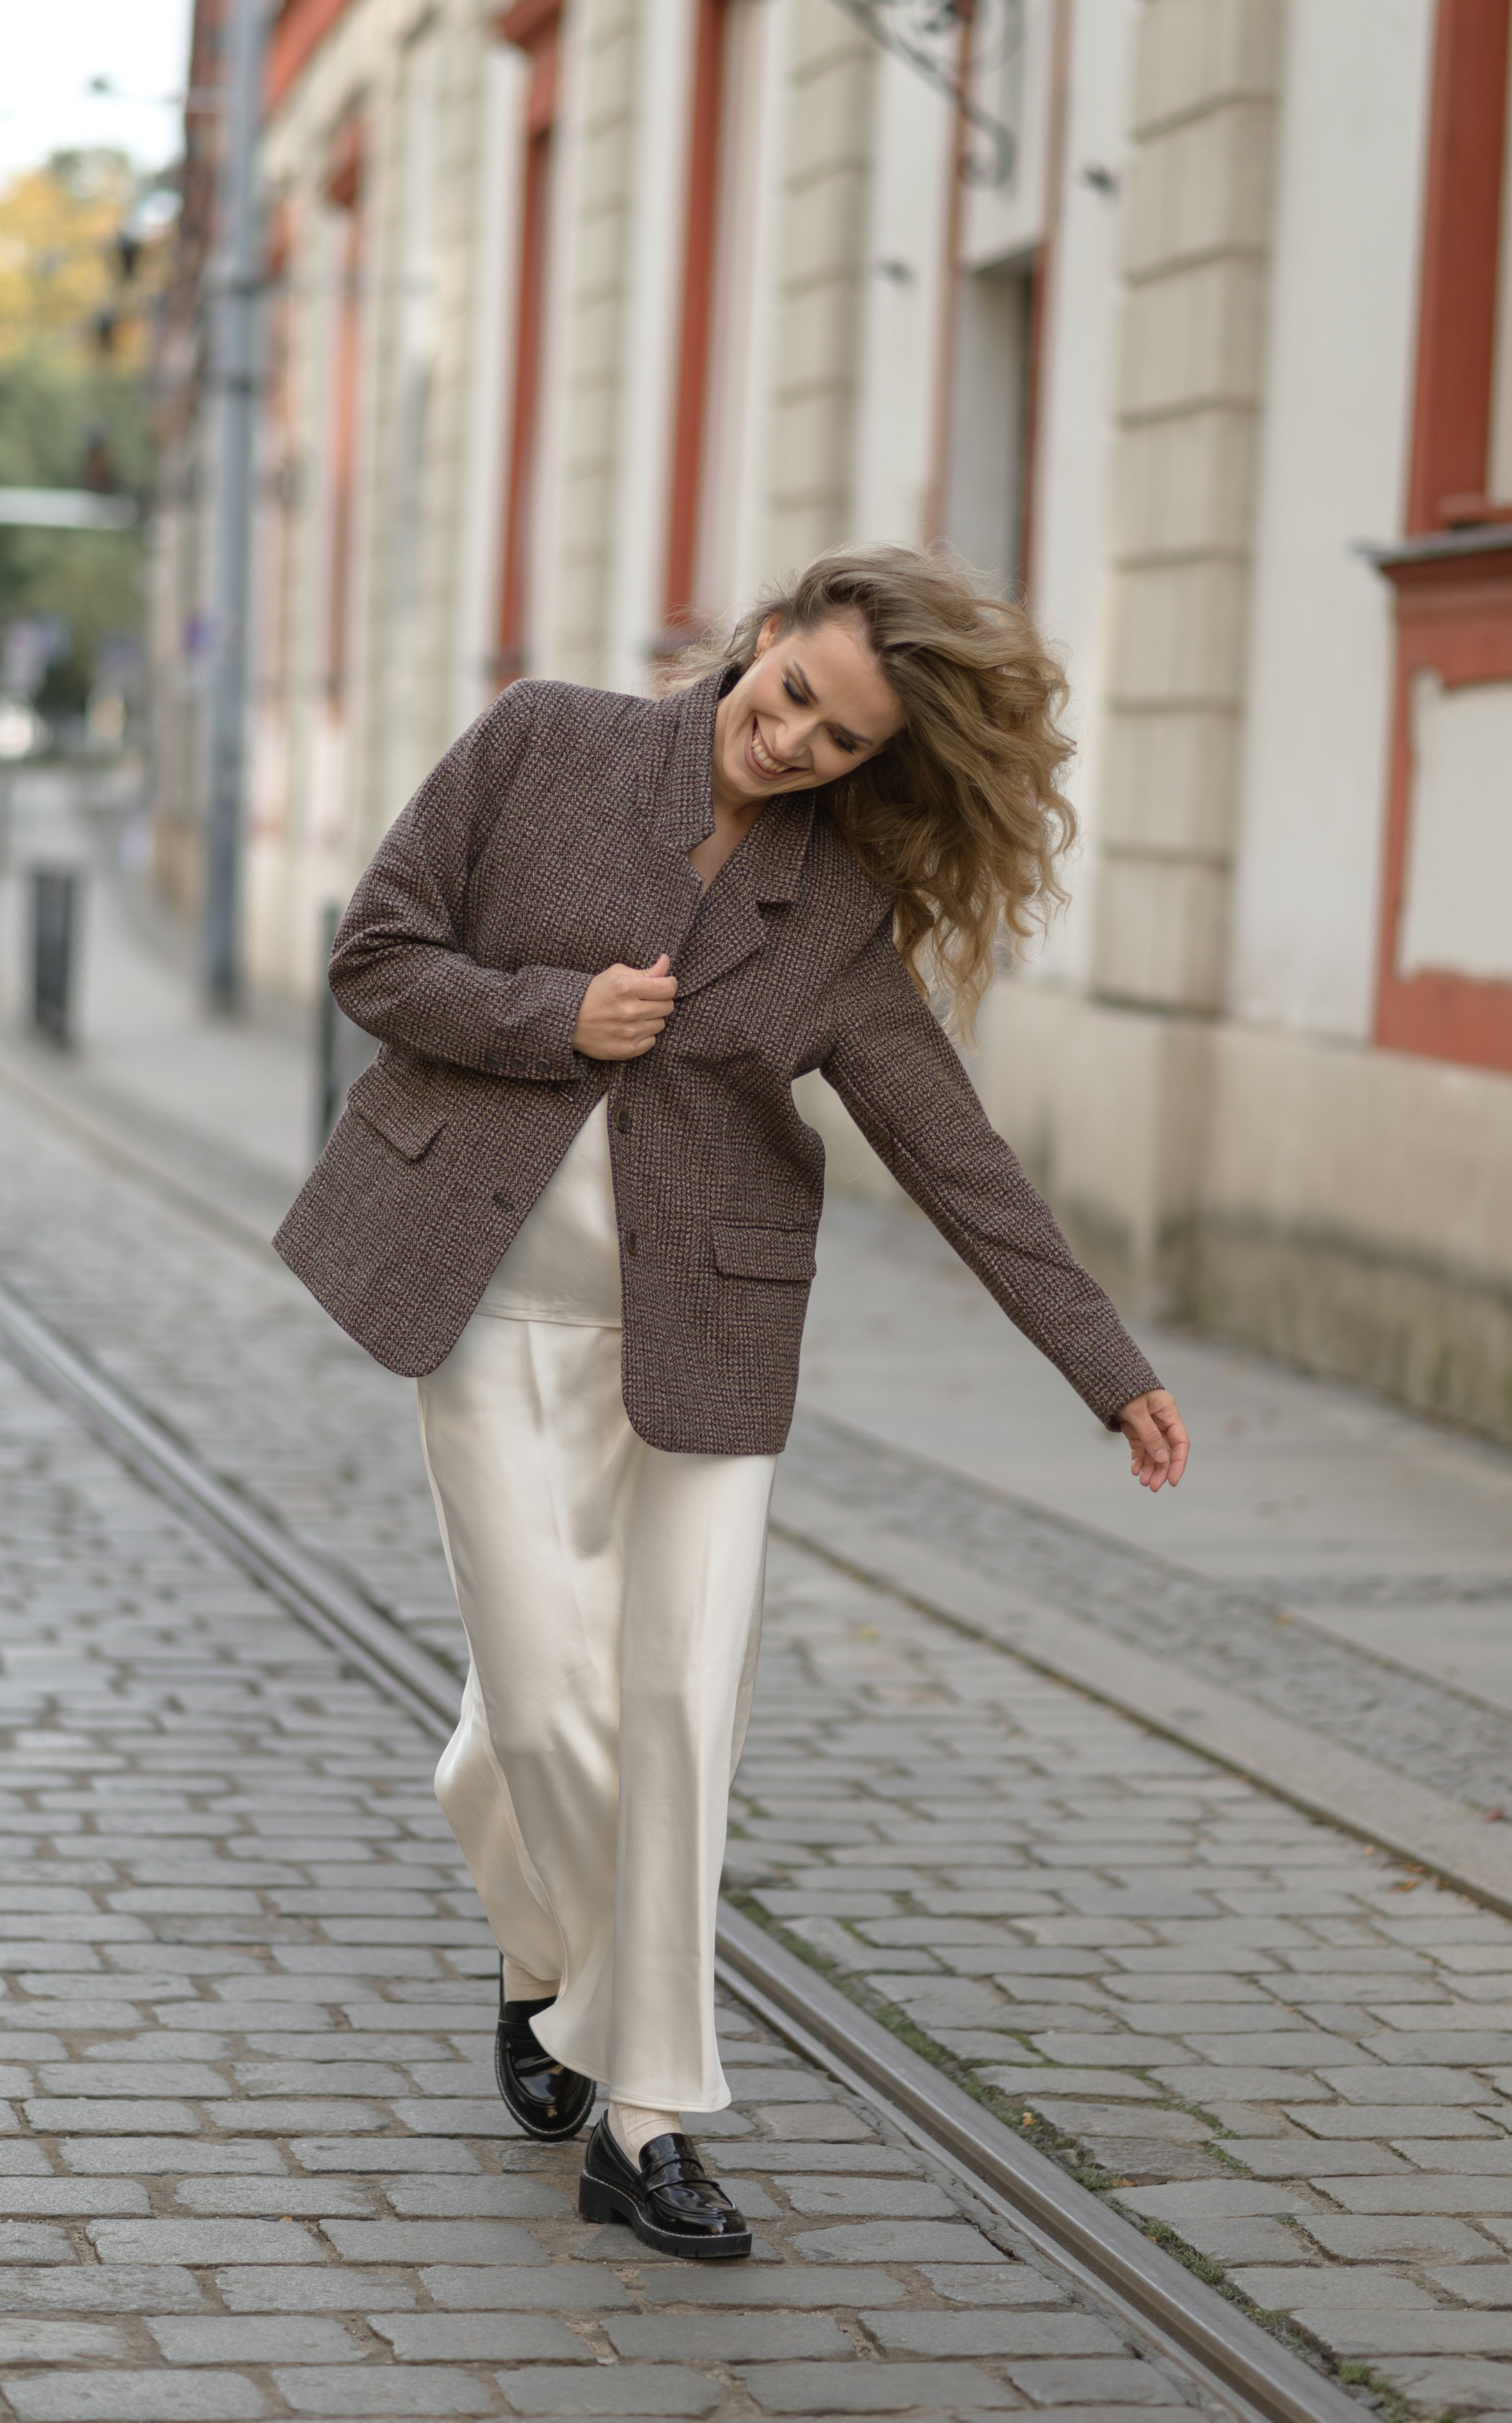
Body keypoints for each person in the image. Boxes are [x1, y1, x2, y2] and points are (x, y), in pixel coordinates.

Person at [275, 543, 1189, 2263]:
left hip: (704, 1335)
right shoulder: (544, 742)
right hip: (485, 1306)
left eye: (837, 744)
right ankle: (540, 1960)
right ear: (760, 641)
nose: (790, 744)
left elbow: (952, 1149)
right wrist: (561, 1016)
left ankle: (646, 2120)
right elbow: (376, 956)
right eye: (789, 697)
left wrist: (1107, 1367)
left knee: (677, 1716)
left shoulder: (834, 912)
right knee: (535, 1725)